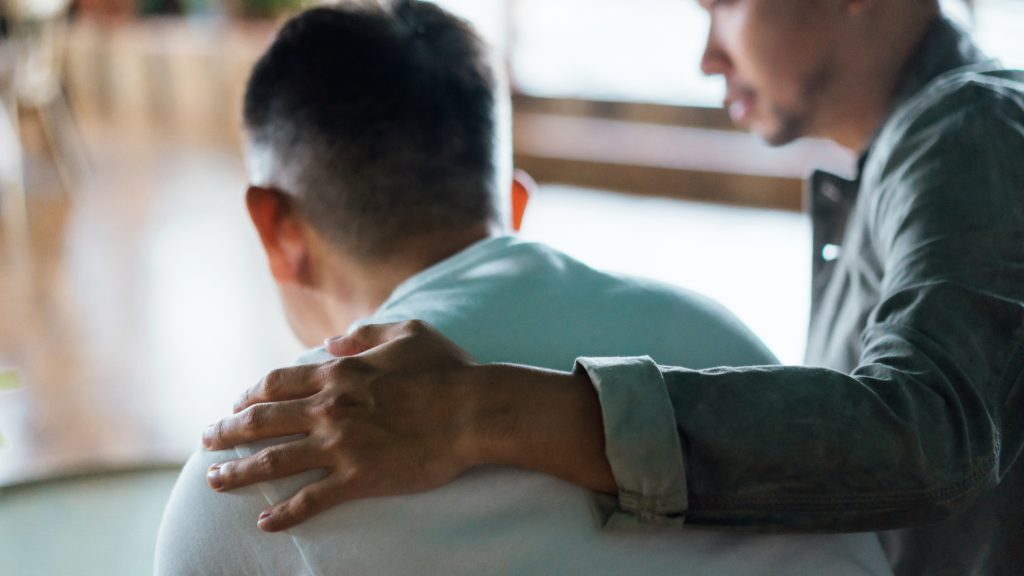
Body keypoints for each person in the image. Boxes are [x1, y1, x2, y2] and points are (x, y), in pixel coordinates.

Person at [201, 0, 1024, 574]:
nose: (707, 54)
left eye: (724, 3)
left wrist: (474, 410)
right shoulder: (905, 164)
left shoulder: (971, 126)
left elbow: (934, 433)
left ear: (278, 228)